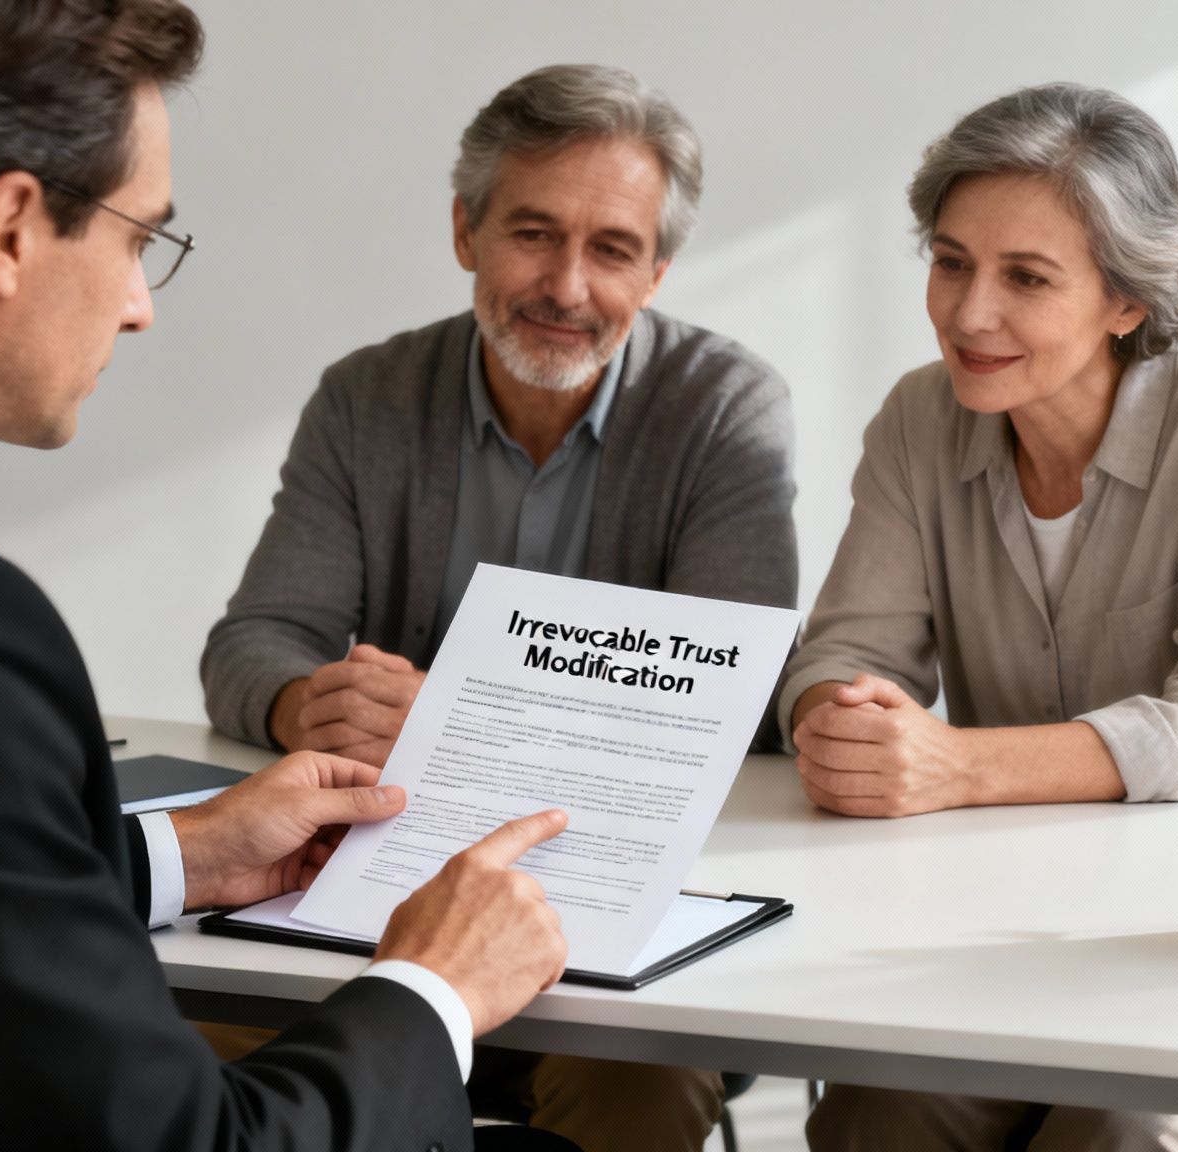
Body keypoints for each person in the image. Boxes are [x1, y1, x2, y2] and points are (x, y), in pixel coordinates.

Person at [0, 3, 579, 1149]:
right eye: (135, 237)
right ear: (10, 227)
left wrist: (180, 853)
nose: (139, 305)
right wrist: (435, 986)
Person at [200, 63, 797, 1152]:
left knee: (643, 1088)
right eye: (532, 233)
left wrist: (458, 724)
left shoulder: (725, 409)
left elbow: (738, 696)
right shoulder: (365, 396)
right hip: (372, 894)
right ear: (464, 230)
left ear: (657, 270)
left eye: (612, 248)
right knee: (178, 1032)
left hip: (606, 908)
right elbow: (253, 641)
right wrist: (306, 706)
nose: (566, 286)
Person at [786, 84, 1178, 1152]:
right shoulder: (919, 420)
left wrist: (954, 767)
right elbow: (845, 648)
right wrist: (841, 721)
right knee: (877, 1123)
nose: (968, 313)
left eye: (1025, 277)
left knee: (1117, 1129)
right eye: (951, 260)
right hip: (1016, 923)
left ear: (1126, 301)